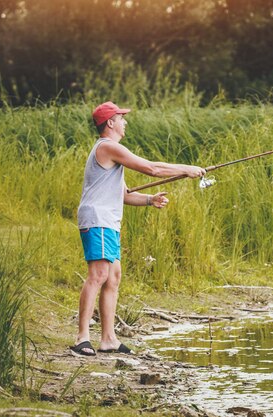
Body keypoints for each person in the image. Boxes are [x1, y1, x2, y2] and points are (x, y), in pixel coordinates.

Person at [70, 101, 205, 356]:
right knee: (98, 275)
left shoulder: (112, 153)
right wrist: (187, 169)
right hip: (98, 220)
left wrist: (149, 200)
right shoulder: (108, 147)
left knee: (113, 277)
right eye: (121, 117)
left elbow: (123, 195)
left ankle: (108, 339)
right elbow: (151, 168)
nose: (125, 121)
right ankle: (81, 338)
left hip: (108, 221)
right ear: (110, 122)